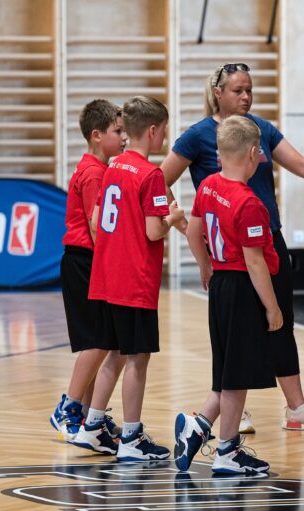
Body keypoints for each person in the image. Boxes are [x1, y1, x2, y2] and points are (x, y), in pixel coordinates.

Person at [160, 63, 304, 433]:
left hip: (266, 241)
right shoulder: (197, 136)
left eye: (249, 90)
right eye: (237, 90)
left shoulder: (261, 130)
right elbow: (159, 180)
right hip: (231, 255)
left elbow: (299, 162)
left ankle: (296, 408)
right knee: (233, 332)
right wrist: (180, 222)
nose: (245, 97)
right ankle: (234, 411)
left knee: (281, 323)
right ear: (218, 94)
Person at [72, 95, 184, 461]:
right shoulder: (151, 175)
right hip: (135, 281)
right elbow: (153, 231)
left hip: (107, 277)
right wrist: (172, 218)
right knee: (137, 358)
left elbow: (97, 220)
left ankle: (92, 426)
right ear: (152, 131)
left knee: (115, 353)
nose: (165, 136)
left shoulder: (113, 167)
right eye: (164, 130)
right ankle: (132, 438)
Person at [174, 115, 281, 474]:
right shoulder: (250, 203)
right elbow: (255, 262)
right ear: (253, 154)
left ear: (219, 154)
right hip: (242, 289)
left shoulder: (207, 186)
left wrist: (205, 266)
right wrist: (272, 307)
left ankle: (199, 427)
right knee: (237, 374)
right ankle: (227, 451)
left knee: (227, 370)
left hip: (220, 286)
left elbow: (193, 232)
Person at [50, 99, 128, 442]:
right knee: (97, 342)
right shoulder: (95, 172)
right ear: (97, 135)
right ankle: (67, 408)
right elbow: (98, 226)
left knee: (104, 341)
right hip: (85, 261)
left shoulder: (98, 168)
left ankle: (87, 413)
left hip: (89, 261)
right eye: (117, 131)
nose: (124, 137)